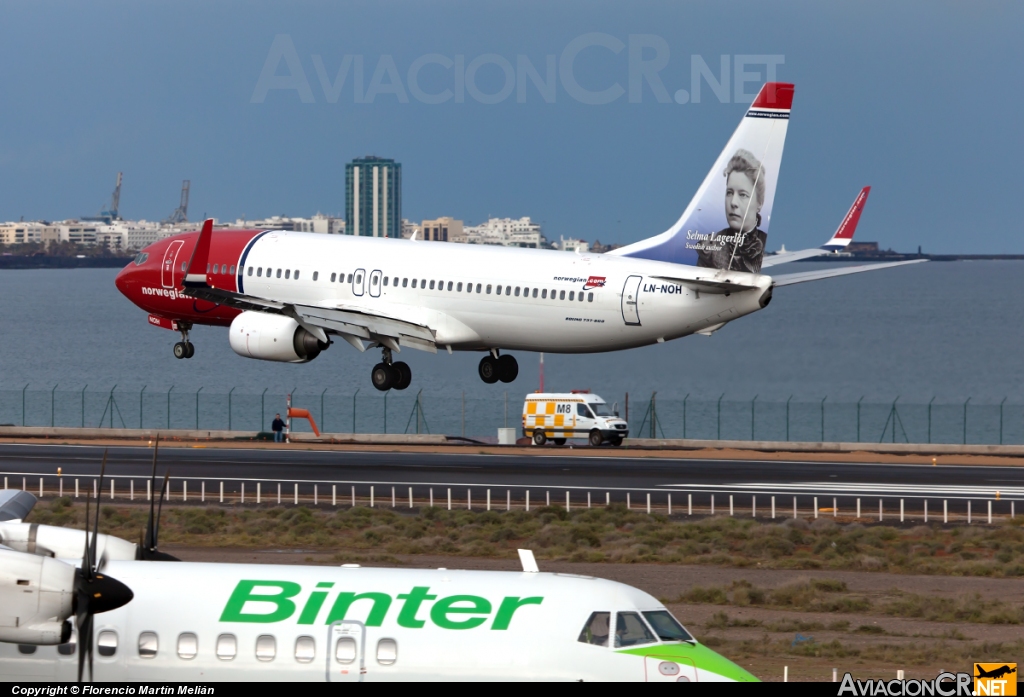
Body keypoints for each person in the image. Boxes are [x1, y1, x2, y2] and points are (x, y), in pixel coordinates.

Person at [696, 148, 769, 274]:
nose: (733, 203)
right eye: (729, 193)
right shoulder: (711, 246)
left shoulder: (764, 241)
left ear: (759, 203)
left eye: (743, 195)